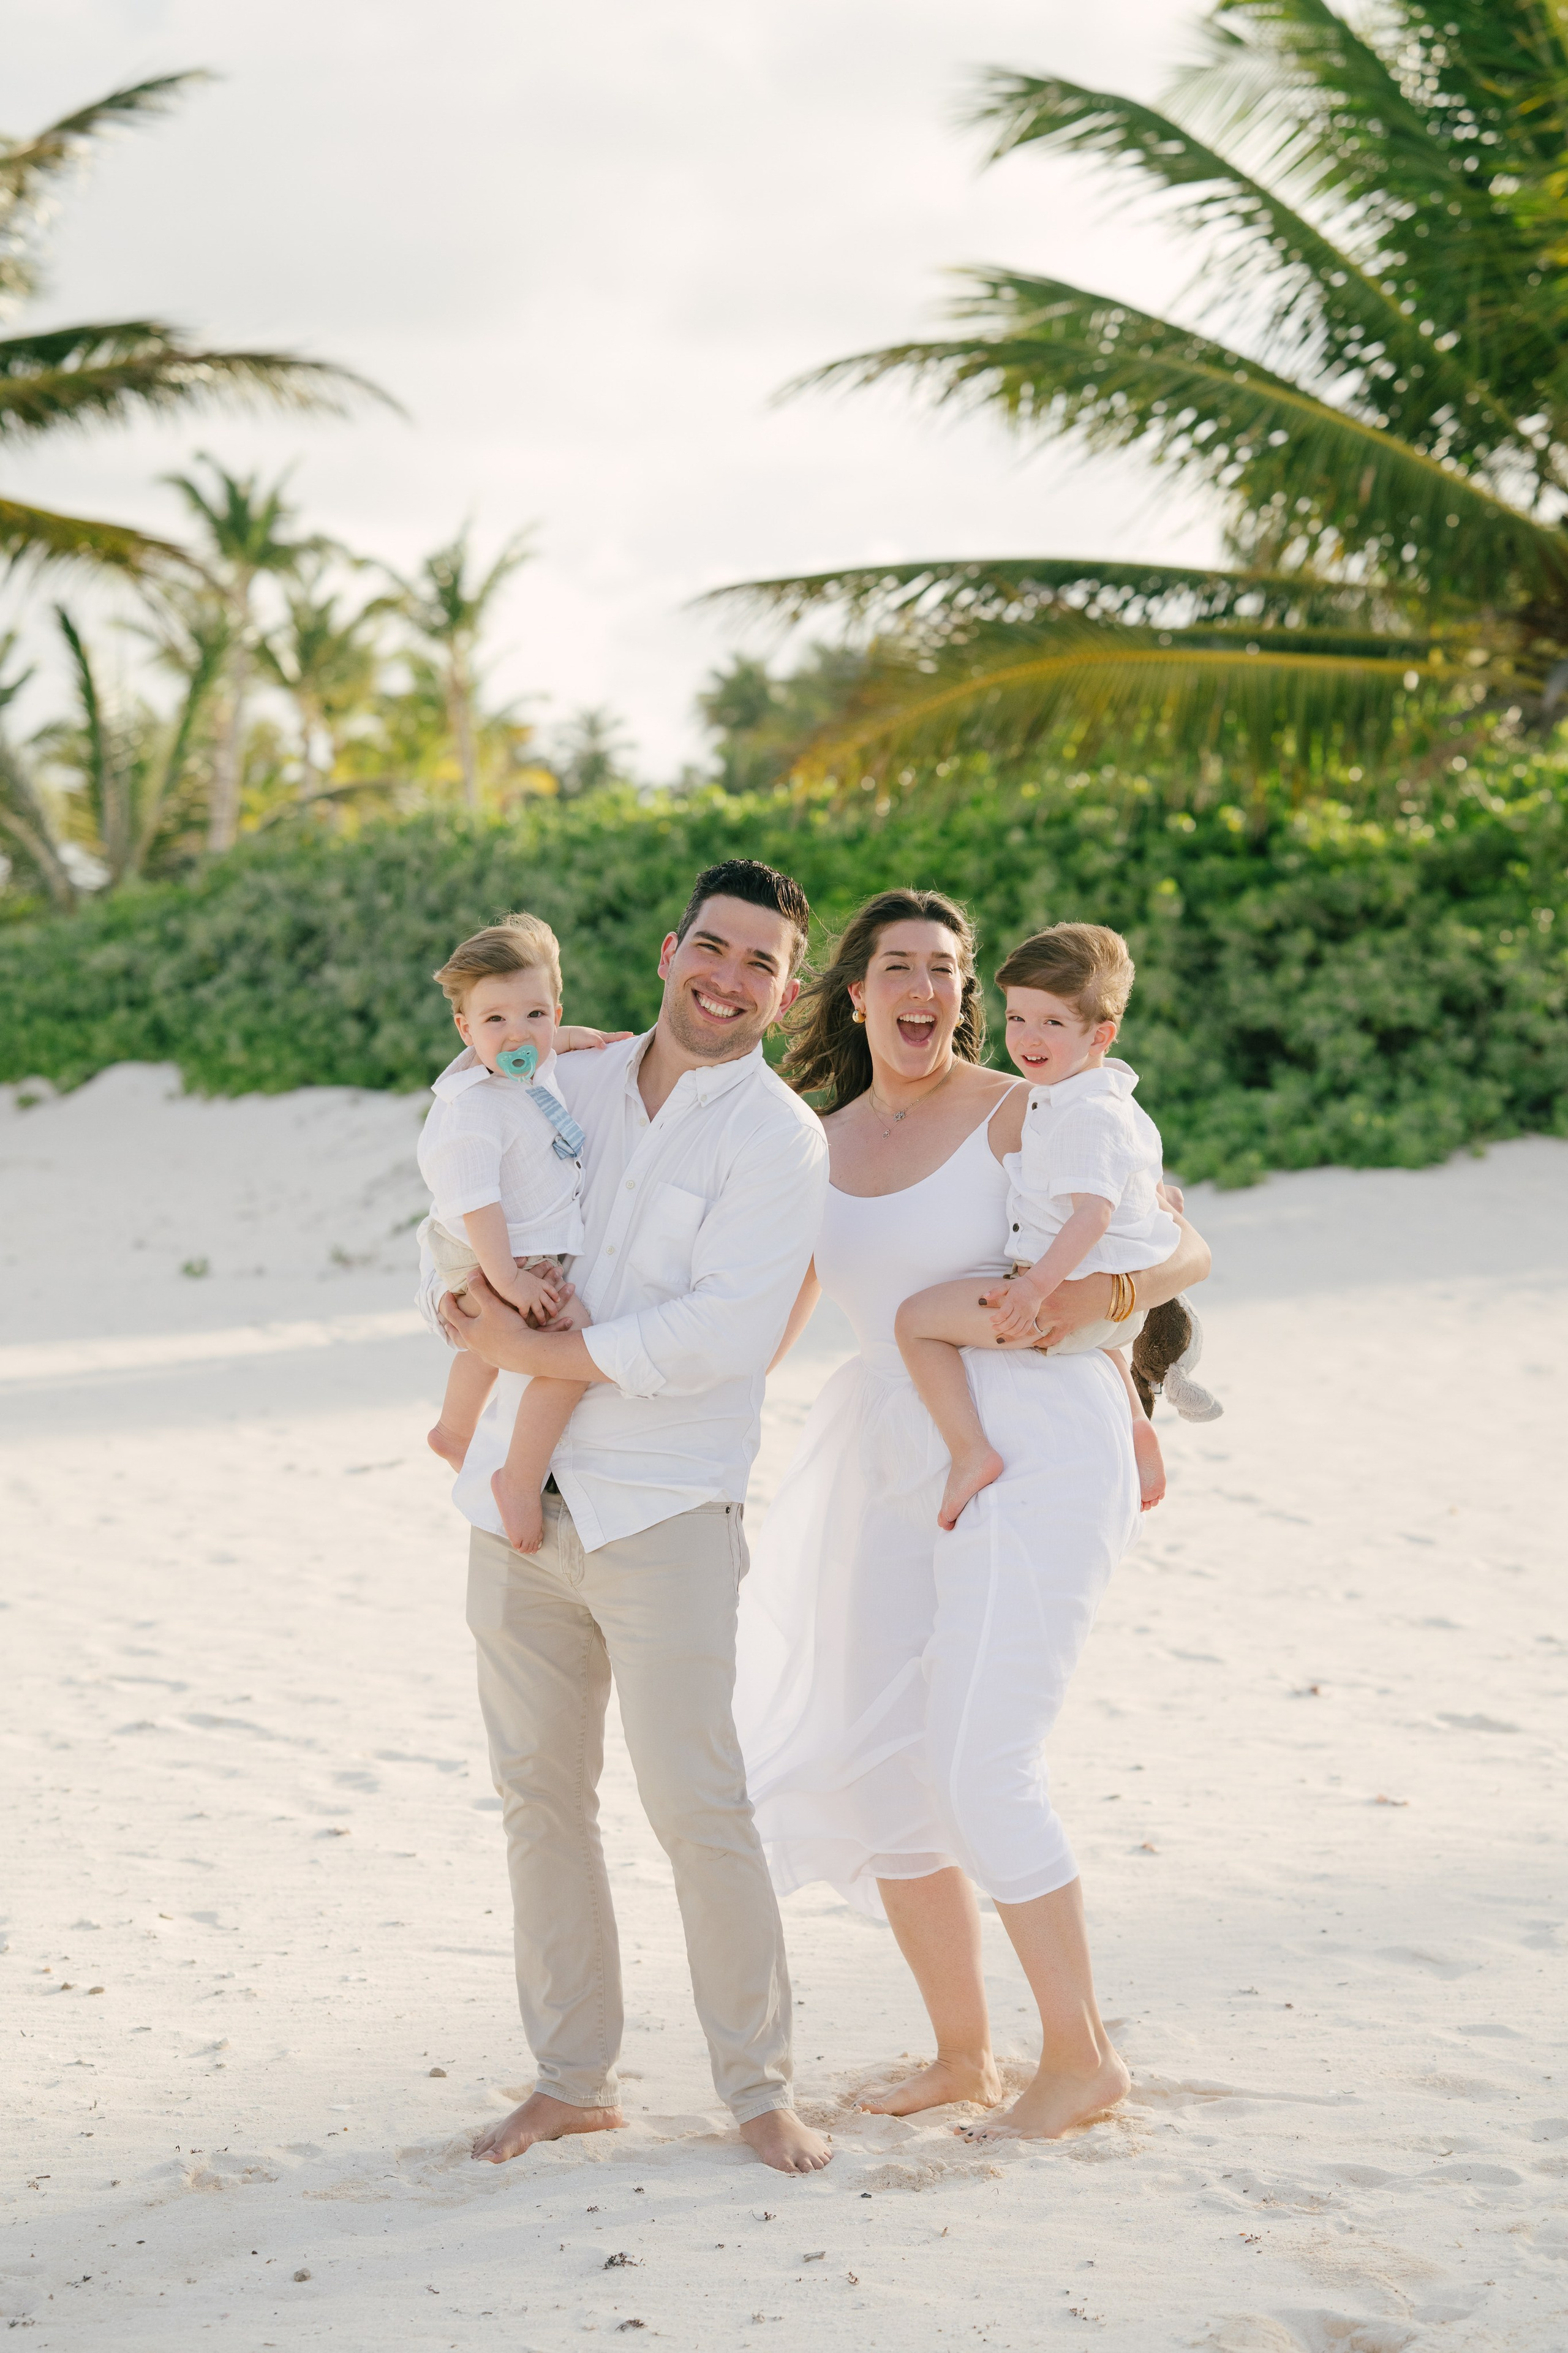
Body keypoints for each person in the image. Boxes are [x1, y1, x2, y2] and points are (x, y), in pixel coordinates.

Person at [735, 888, 1211, 2142]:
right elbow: (758, 1323)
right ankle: (962, 2053)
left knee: (980, 1760)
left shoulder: (1030, 1109)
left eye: (946, 969)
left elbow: (1181, 1252)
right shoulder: (809, 1147)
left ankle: (1081, 2057)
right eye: (899, 965)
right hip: (889, 1450)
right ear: (855, 991)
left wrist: (1083, 1310)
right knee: (880, 1758)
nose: (925, 988)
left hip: (1032, 1439)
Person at [419, 859, 834, 2176]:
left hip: (665, 1510)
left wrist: (542, 1361)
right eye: (710, 948)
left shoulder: (778, 1138)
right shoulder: (560, 1074)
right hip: (515, 1504)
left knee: (697, 1804)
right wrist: (458, 1315)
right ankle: (571, 2077)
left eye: (757, 964)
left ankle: (757, 2087)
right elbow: (457, 1196)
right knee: (537, 1801)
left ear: (782, 991)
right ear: (669, 950)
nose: (726, 976)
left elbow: (726, 1334)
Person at [894, 921, 1180, 1529]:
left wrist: (1031, 1289)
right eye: (1018, 1017)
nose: (1027, 1037)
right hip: (1108, 1318)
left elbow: (1092, 1214)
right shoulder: (1106, 1097)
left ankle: (971, 1454)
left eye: (1051, 1023)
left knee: (916, 1321)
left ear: (1100, 1034)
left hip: (1067, 1303)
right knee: (1098, 1342)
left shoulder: (1083, 1115)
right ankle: (1135, 1426)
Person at [418, 912, 625, 1554]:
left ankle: (454, 1433)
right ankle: (518, 1477)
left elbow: (538, 1042)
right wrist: (505, 1277)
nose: (520, 1035)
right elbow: (477, 1201)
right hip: (488, 1253)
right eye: (496, 1021)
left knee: (485, 1350)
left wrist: (575, 1038)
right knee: (574, 1350)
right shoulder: (475, 1108)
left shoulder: (529, 1066)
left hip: (515, 1250)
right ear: (465, 1029)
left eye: (536, 1016)